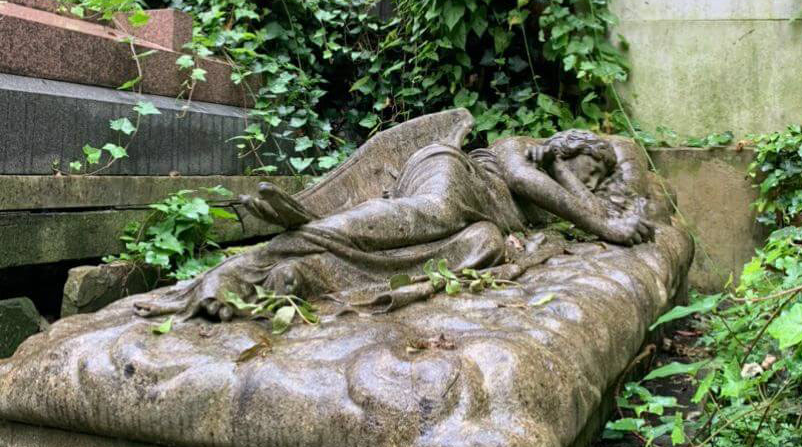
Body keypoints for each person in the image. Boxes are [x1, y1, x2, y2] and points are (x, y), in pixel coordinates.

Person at [134, 126, 662, 324]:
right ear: (565, 150)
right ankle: (253, 262)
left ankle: (302, 271)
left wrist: (591, 205)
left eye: (595, 181)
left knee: (480, 245)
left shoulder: (563, 202)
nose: (587, 185)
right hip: (449, 178)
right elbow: (529, 183)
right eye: (589, 169)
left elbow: (548, 205)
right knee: (429, 215)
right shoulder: (514, 151)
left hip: (473, 222)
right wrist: (604, 220)